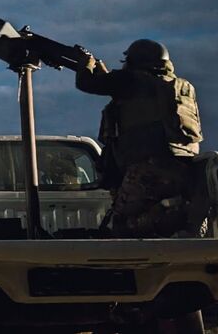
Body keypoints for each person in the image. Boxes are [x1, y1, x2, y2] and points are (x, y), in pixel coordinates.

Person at [74, 39, 203, 238]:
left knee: (123, 226)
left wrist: (85, 63)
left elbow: (86, 83)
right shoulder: (180, 86)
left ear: (133, 61)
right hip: (183, 167)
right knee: (159, 217)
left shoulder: (130, 80)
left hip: (146, 169)